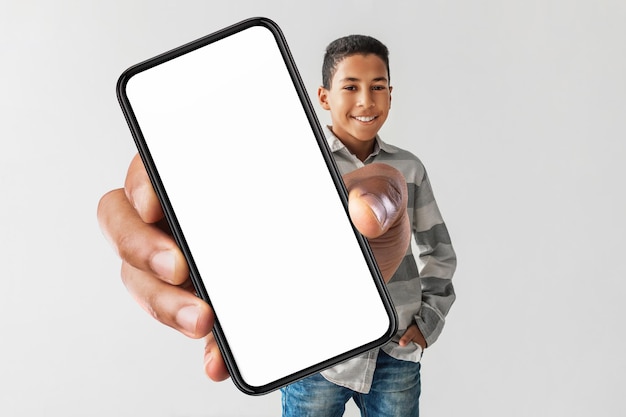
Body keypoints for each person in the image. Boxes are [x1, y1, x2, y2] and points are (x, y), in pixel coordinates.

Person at [97, 34, 456, 417]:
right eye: (350, 87)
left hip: (395, 349)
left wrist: (427, 323)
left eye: (378, 87)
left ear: (390, 93)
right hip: (316, 356)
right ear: (323, 97)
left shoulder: (410, 168)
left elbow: (439, 252)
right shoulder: (293, 158)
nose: (366, 100)